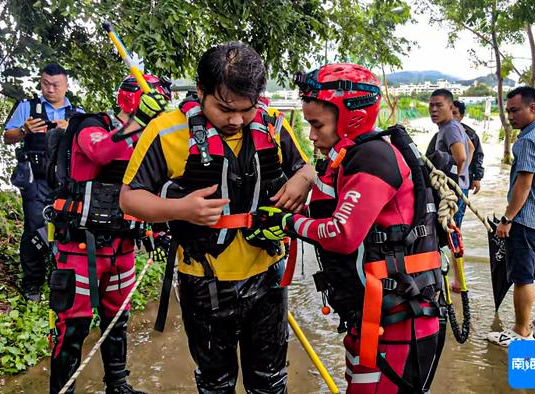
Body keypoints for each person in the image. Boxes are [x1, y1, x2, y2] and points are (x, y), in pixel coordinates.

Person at [119, 43, 314, 393]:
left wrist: (304, 178)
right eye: (225, 109)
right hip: (203, 280)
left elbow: (305, 169)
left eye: (246, 109)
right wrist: (180, 209)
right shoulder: (166, 131)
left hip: (267, 277)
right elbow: (129, 198)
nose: (236, 120)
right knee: (215, 382)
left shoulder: (271, 127)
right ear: (200, 91)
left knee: (270, 381)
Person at [247, 63, 446, 393]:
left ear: (351, 116)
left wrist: (289, 223)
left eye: (316, 124)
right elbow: (339, 214)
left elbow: (343, 234)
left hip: (399, 324)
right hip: (372, 320)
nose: (311, 134)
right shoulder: (349, 158)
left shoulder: (373, 158)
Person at [47, 74, 170, 393]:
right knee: (73, 327)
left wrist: (158, 231)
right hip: (80, 246)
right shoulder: (91, 124)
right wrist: (140, 120)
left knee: (117, 320)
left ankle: (118, 385)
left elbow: (151, 189)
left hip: (123, 246)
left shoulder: (148, 138)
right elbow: (101, 152)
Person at [487, 86, 535, 346]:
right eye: (508, 111)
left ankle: (521, 332)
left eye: (515, 110)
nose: (511, 116)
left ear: (533, 107)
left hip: (527, 221)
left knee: (523, 277)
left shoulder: (528, 140)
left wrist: (507, 220)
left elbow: (524, 185)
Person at [3, 63, 84, 302]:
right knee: (34, 230)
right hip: (35, 181)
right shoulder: (27, 107)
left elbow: (88, 145)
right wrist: (24, 130)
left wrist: (72, 130)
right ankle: (32, 285)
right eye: (45, 84)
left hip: (66, 183)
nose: (50, 89)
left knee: (67, 229)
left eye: (56, 85)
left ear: (66, 85)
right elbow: (8, 137)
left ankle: (62, 279)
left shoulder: (77, 114)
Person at [426, 89, 473, 229]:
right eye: (431, 105)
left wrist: (453, 181)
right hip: (460, 188)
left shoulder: (450, 129)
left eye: (439, 105)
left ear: (451, 107)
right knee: (454, 232)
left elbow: (462, 157)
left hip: (453, 192)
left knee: (451, 234)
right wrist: (463, 175)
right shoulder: (453, 126)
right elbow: (470, 147)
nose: (434, 110)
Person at [452, 100, 484, 196]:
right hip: (444, 180)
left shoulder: (471, 135)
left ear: (461, 116)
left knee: (459, 209)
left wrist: (477, 178)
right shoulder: (439, 135)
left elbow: (478, 156)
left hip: (463, 179)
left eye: (454, 113)